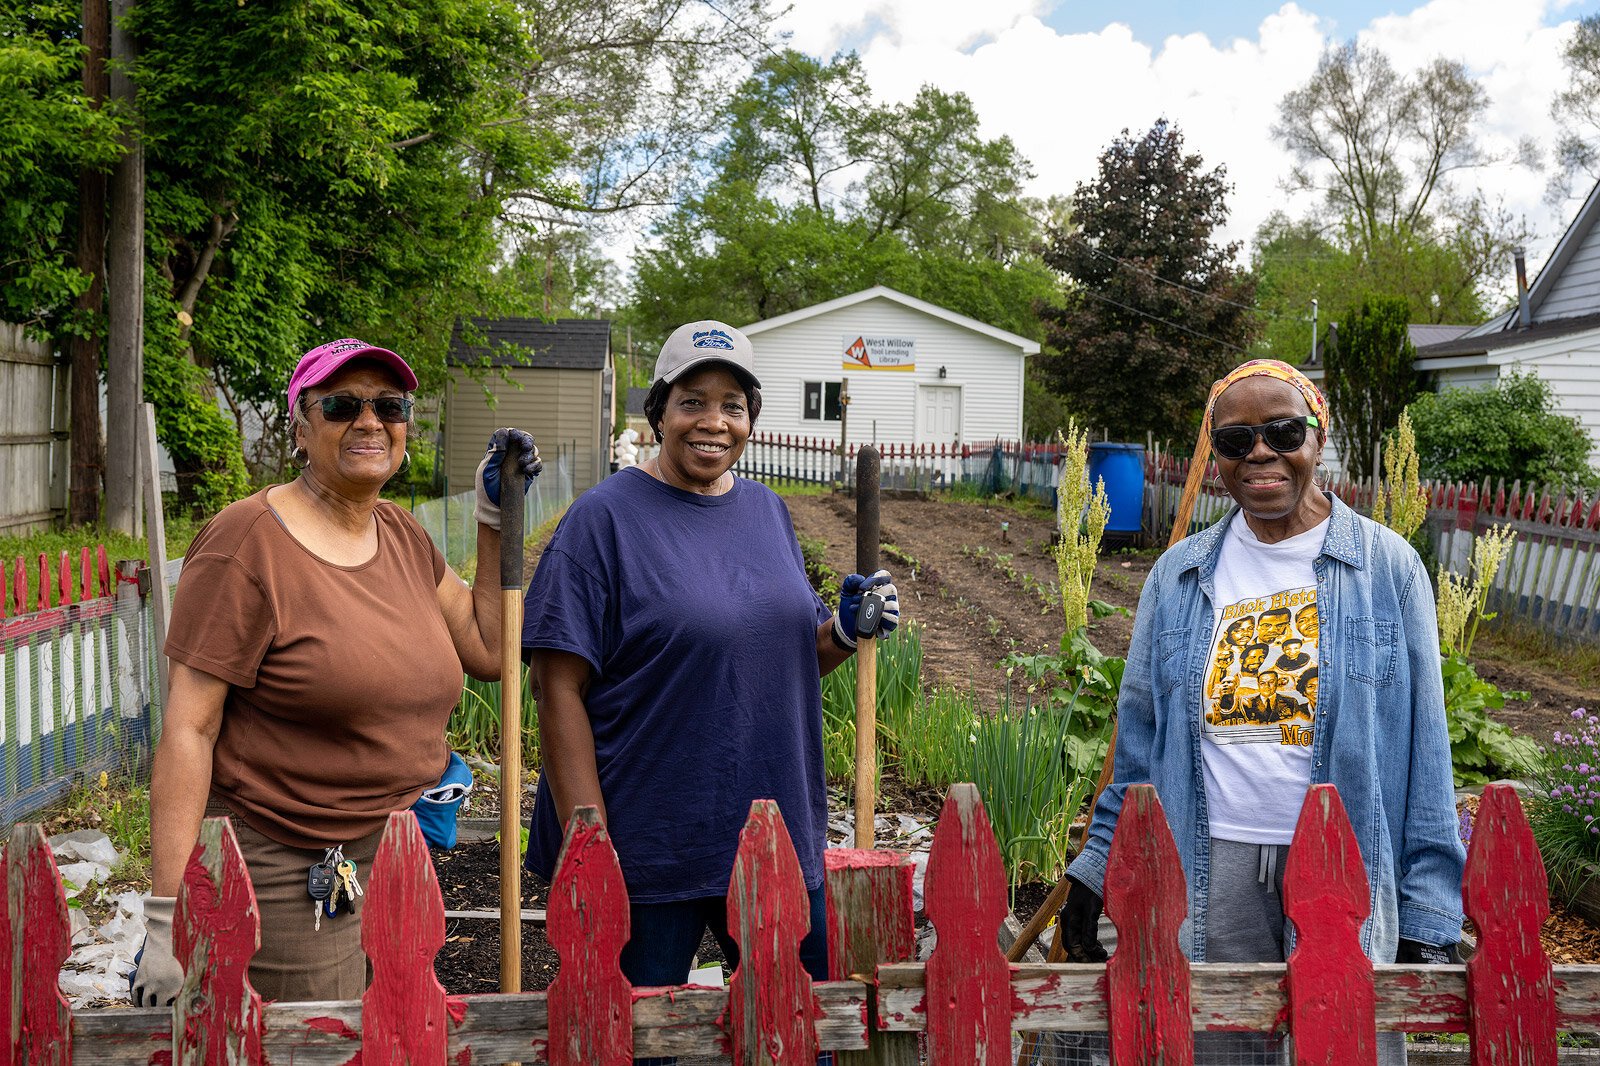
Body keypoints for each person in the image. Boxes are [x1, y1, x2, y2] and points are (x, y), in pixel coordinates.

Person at [1059, 358, 1463, 1063]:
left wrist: (1430, 909)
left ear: (1319, 437)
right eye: (1235, 440)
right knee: (1219, 1046)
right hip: (1211, 860)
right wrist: (1097, 867)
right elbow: (1139, 743)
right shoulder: (1180, 574)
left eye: (1282, 431)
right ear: (1215, 453)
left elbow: (1425, 748)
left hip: (1343, 866)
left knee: (1339, 1046)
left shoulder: (1388, 569)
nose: (1261, 455)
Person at [130, 338, 542, 1005]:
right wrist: (166, 918)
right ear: (300, 427)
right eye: (342, 405)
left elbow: (490, 649)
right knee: (321, 1044)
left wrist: (496, 517)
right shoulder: (246, 543)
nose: (371, 421)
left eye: (390, 405)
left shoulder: (401, 535)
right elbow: (188, 733)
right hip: (288, 862)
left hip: (401, 848)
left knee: (399, 1036)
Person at [521, 320, 898, 996]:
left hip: (771, 836)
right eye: (692, 400)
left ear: (751, 417)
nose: (713, 422)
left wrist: (839, 634)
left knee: (787, 1026)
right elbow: (556, 687)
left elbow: (780, 659)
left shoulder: (767, 511)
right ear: (659, 411)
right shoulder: (603, 521)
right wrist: (589, 839)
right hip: (648, 846)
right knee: (641, 1037)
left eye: (733, 404)